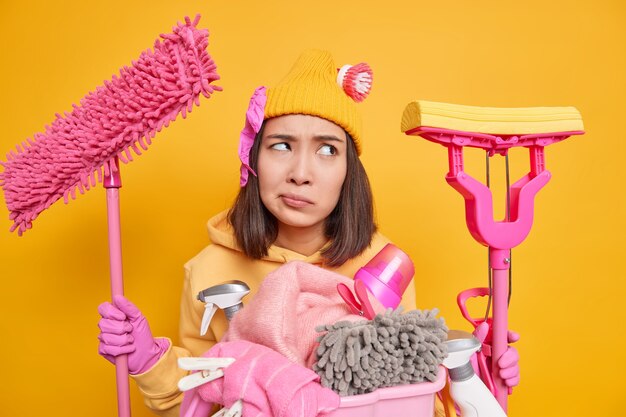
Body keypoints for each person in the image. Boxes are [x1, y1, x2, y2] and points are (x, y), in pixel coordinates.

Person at [97, 50, 518, 417]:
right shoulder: (209, 271)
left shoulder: (385, 268)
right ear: (253, 160)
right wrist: (147, 359)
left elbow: (410, 400)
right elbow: (195, 399)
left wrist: (471, 371)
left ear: (349, 173)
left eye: (327, 149)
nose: (300, 174)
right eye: (280, 145)